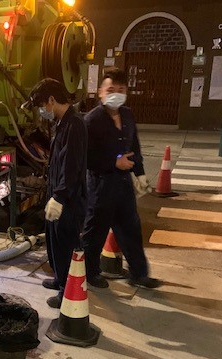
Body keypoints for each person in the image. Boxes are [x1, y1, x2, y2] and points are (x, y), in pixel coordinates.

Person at [82, 69, 160, 289]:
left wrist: (140, 173)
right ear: (100, 92)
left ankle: (139, 274)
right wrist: (113, 162)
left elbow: (134, 146)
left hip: (124, 185)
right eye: (110, 90)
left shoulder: (127, 115)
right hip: (101, 185)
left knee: (131, 229)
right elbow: (85, 157)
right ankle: (90, 273)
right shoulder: (92, 120)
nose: (115, 94)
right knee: (95, 232)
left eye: (121, 90)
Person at [29, 78, 88, 309]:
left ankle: (67, 291)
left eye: (42, 105)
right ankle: (59, 278)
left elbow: (71, 167)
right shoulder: (62, 123)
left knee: (66, 245)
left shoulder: (75, 125)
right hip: (57, 194)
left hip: (68, 200)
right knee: (54, 241)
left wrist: (60, 197)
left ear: (52, 100)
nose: (42, 111)